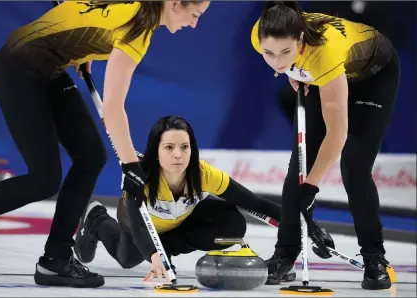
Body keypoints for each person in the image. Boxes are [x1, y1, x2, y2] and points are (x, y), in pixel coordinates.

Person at [0, 0, 210, 288]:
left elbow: (84, 15)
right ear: (174, 4)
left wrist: (83, 49)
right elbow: (112, 107)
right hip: (21, 69)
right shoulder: (140, 28)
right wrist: (131, 165)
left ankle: (55, 259)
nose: (195, 24)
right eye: (195, 15)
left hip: (48, 64)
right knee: (44, 180)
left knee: (91, 156)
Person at [250, 1, 400, 290]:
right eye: (269, 54)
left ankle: (374, 257)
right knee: (300, 166)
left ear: (301, 41)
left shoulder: (324, 52)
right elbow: (281, 59)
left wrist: (312, 189)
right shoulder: (261, 33)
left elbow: (337, 133)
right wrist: (292, 71)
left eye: (285, 53)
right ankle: (284, 254)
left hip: (372, 75)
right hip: (323, 76)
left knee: (355, 166)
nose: (277, 62)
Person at [73, 115, 298, 283]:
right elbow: (140, 227)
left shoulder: (203, 174)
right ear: (156, 151)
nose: (178, 154)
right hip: (138, 225)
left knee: (232, 225)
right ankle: (96, 218)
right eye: (169, 148)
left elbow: (255, 203)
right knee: (128, 259)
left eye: (184, 147)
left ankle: (166, 248)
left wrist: (306, 224)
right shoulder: (139, 179)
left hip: (180, 221)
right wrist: (153, 255)